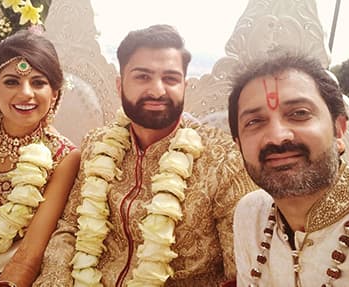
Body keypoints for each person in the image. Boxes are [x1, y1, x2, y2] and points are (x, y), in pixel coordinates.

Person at [34, 24, 255, 287]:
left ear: (184, 86)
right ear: (120, 85)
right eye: (142, 77)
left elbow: (241, 273)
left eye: (170, 79)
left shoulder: (225, 160)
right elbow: (69, 228)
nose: (157, 90)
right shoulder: (96, 145)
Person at [0, 30, 80, 287]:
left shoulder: (64, 158)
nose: (25, 93)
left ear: (54, 93)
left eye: (38, 82)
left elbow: (28, 256)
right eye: (11, 82)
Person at [228, 53, 349, 286]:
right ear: (239, 145)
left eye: (299, 113)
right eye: (254, 122)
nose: (277, 136)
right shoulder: (249, 213)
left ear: (338, 128)